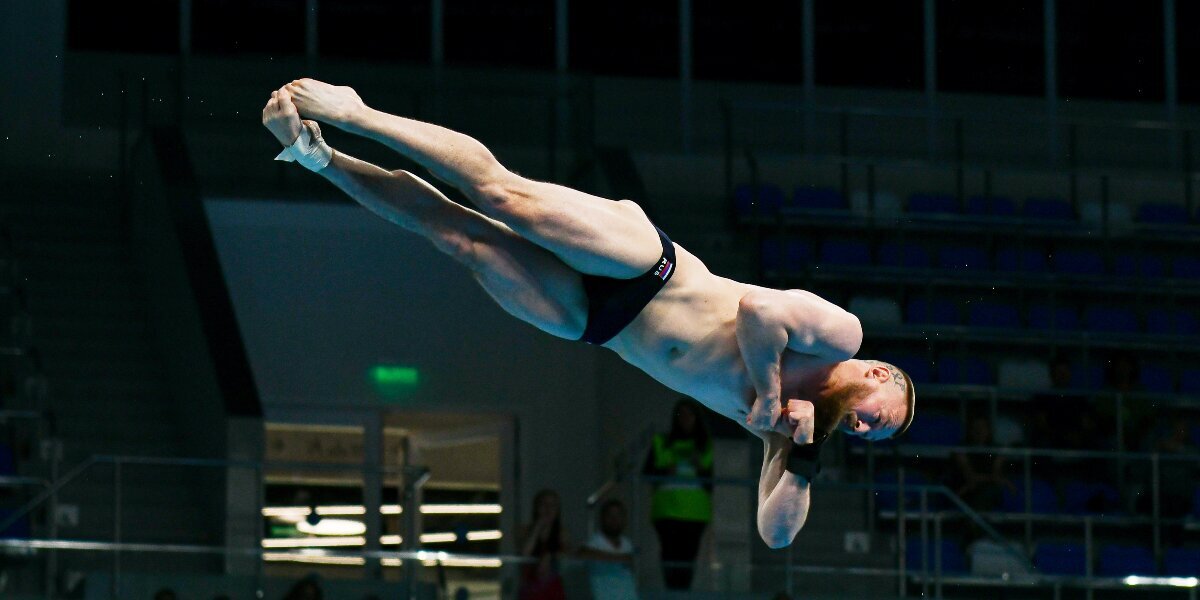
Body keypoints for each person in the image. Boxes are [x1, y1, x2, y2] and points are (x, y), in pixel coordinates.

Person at [262, 80, 917, 548]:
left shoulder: (787, 432)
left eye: (871, 437)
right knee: (500, 194)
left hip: (598, 324)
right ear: (879, 374)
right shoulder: (840, 337)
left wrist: (800, 455)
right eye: (877, 419)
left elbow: (774, 535)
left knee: (460, 238)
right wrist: (771, 392)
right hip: (647, 269)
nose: (862, 427)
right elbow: (757, 311)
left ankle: (321, 157)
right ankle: (357, 111)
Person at [643, 399, 712, 589]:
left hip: (695, 511)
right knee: (669, 554)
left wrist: (700, 468)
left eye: (690, 415)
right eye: (682, 414)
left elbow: (711, 481)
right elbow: (647, 473)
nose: (686, 419)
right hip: (667, 510)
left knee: (688, 557)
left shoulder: (704, 445)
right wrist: (665, 471)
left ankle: (682, 593)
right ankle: (672, 593)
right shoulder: (661, 442)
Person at [578, 499, 638, 600]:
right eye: (610, 516)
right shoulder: (594, 542)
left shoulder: (627, 544)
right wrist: (618, 559)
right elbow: (580, 555)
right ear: (603, 519)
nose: (614, 519)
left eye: (618, 516)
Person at [517, 489, 570, 600]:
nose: (548, 509)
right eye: (544, 504)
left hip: (552, 587)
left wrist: (550, 557)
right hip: (530, 586)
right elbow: (524, 554)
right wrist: (537, 528)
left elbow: (566, 556)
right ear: (536, 507)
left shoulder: (562, 533)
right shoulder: (524, 530)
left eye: (552, 505)